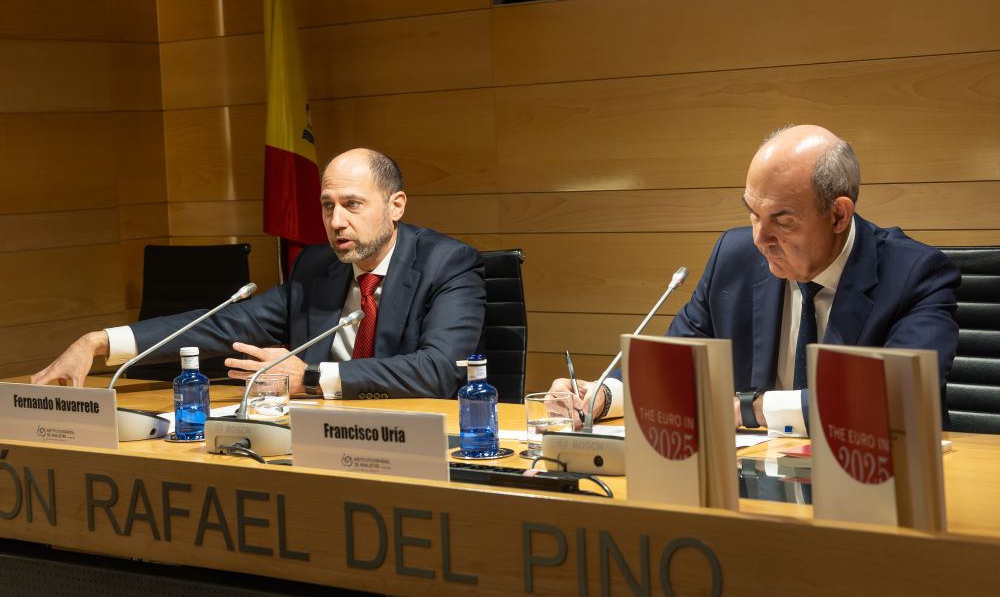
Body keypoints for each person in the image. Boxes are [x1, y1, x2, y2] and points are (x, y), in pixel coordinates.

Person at [553, 125, 960, 435]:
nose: (759, 240)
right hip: (758, 483)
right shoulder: (734, 259)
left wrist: (752, 409)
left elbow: (901, 395)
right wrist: (602, 396)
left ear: (838, 215)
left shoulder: (914, 274)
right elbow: (673, 368)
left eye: (782, 222)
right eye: (753, 214)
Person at [31, 148, 486, 400]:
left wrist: (311, 378)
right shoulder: (317, 267)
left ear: (396, 205)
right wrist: (99, 341)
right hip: (319, 436)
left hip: (417, 438)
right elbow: (222, 324)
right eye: (327, 206)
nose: (336, 221)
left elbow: (438, 371)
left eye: (352, 204)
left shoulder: (448, 263)